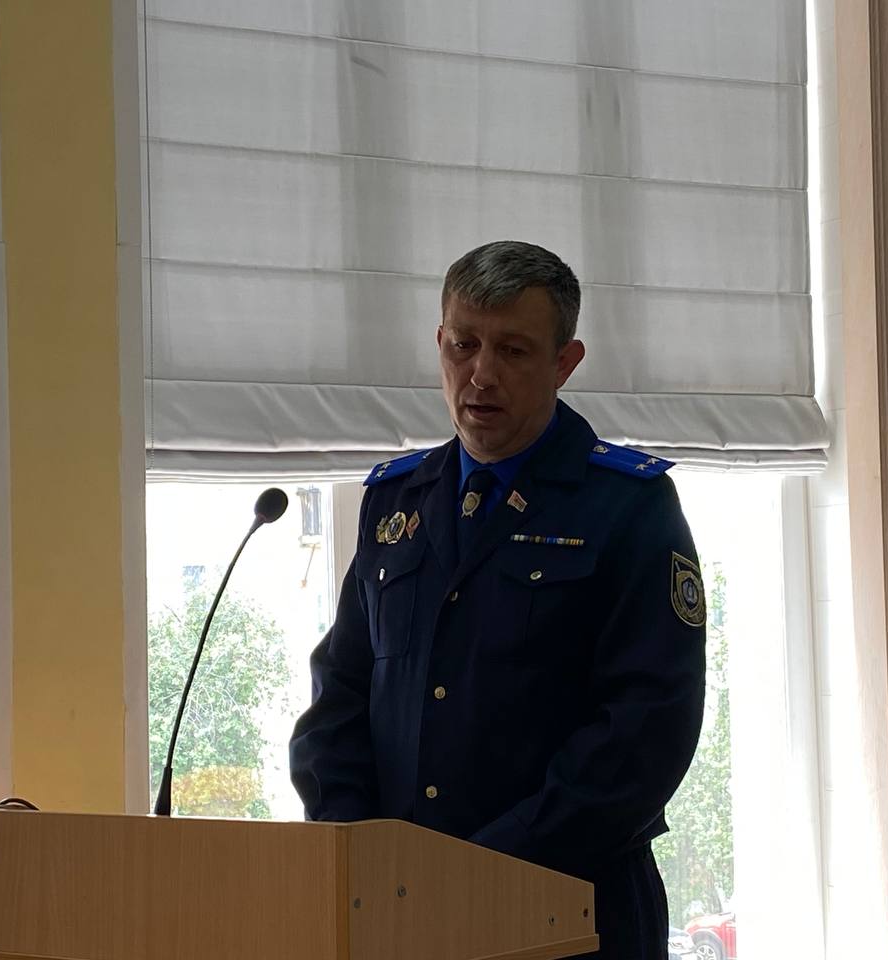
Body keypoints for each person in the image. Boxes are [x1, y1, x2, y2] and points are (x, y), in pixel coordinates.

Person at [289, 240, 707, 959]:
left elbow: (646, 731)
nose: (481, 374)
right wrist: (355, 851)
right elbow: (340, 698)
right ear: (440, 343)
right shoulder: (396, 501)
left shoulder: (627, 505)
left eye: (513, 350)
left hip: (571, 904)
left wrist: (485, 866)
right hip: (402, 909)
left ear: (564, 362)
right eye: (465, 344)